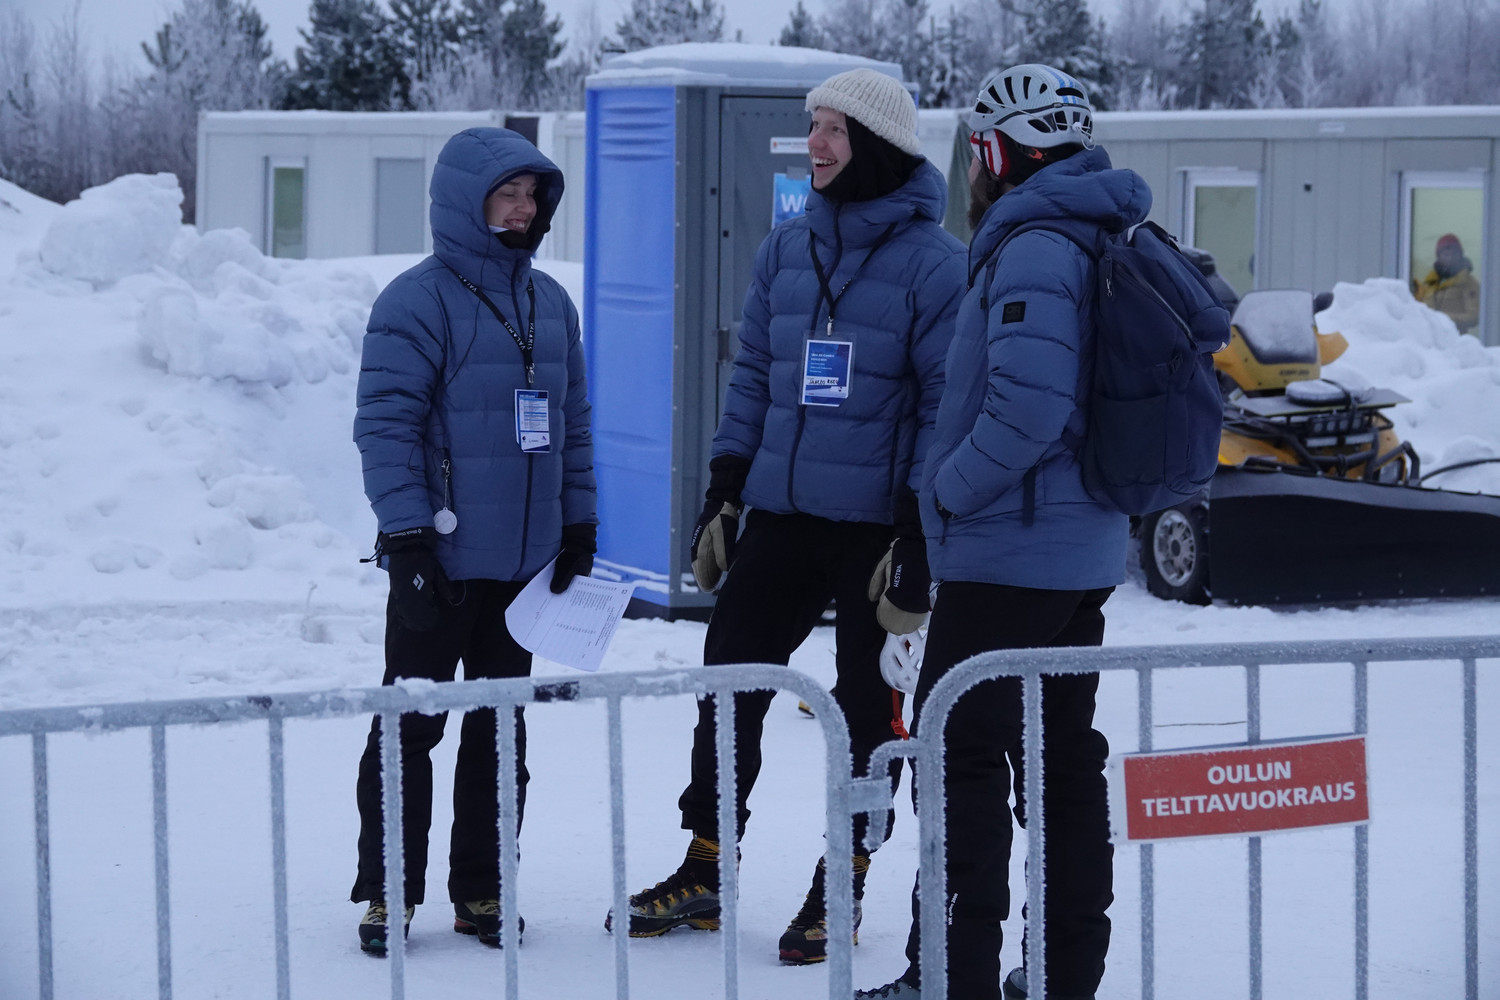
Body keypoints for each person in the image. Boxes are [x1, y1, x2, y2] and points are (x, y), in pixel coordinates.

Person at [607, 67, 967, 964]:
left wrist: (916, 534)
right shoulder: (786, 249)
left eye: (834, 129)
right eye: (814, 126)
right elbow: (754, 382)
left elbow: (942, 408)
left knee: (870, 710)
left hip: (876, 529)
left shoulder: (936, 265)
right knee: (729, 678)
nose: (815, 144)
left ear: (876, 145)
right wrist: (725, 488)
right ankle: (705, 864)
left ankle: (844, 877)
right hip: (783, 512)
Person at [856, 64, 1147, 1000]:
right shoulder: (1097, 229)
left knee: (960, 759)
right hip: (1077, 551)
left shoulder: (1034, 245)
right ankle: (1063, 975)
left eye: (977, 151)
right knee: (1059, 765)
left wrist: (943, 495)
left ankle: (954, 976)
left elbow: (1027, 410)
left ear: (999, 151)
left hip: (1012, 555)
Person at [349, 127, 597, 955]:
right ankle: (388, 891)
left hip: (522, 569)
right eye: (507, 194)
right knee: (410, 728)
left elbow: (574, 427)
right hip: (442, 562)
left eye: (533, 195)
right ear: (467, 200)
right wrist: (407, 539)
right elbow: (386, 427)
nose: (524, 209)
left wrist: (578, 522)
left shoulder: (550, 302)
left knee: (499, 732)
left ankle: (483, 887)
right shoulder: (415, 301)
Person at [1413, 233, 1480, 333]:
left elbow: (1474, 316)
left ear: (1460, 256)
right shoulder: (1429, 282)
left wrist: (1442, 318)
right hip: (1428, 337)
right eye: (1445, 255)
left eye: (1453, 254)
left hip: (1456, 337)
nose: (1449, 258)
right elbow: (1416, 311)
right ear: (1438, 257)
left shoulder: (1469, 283)